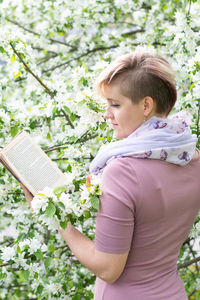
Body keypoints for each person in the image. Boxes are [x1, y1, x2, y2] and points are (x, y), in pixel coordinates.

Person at [21, 51, 200, 300]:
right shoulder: (192, 157)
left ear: (146, 105)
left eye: (115, 104)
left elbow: (108, 268)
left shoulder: (122, 171)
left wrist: (59, 220)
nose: (107, 114)